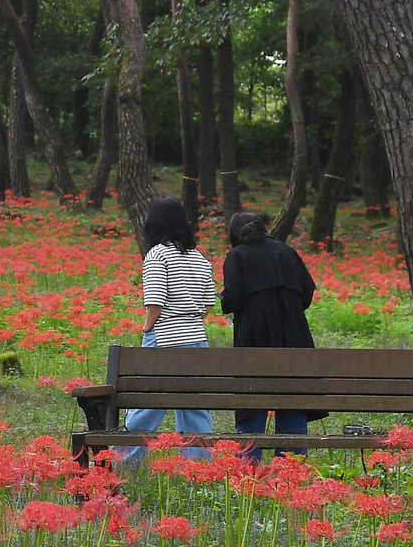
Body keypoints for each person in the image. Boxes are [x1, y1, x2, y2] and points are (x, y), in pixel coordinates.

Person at [115, 198, 216, 470]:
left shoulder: (157, 255)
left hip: (165, 337)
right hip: (196, 339)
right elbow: (209, 302)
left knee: (148, 404)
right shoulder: (198, 257)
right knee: (194, 405)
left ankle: (122, 463)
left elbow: (156, 301)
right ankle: (200, 469)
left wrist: (147, 327)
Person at [220, 212, 318, 464]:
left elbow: (231, 299)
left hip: (254, 338)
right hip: (294, 337)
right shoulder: (287, 251)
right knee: (293, 396)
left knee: (252, 398)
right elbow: (308, 291)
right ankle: (291, 466)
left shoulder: (237, 256)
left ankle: (249, 465)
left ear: (233, 234)